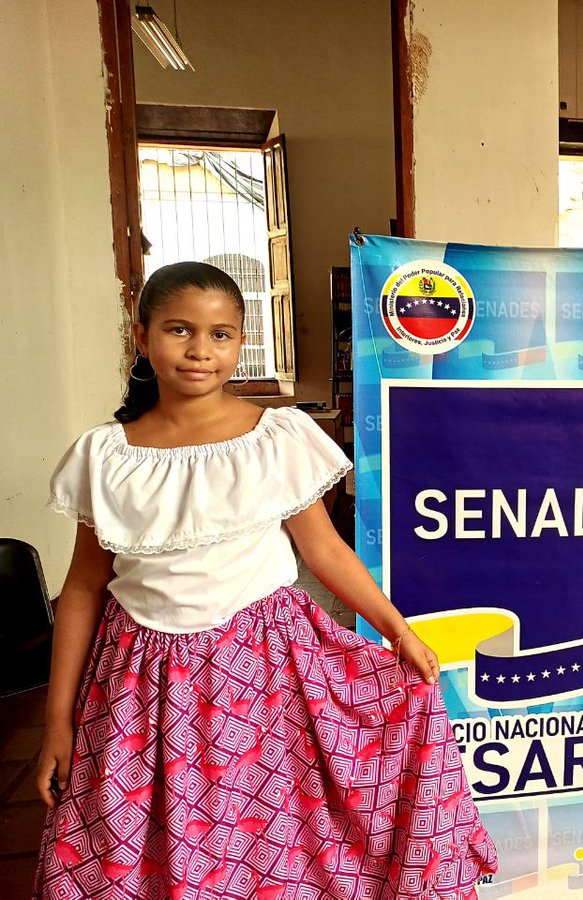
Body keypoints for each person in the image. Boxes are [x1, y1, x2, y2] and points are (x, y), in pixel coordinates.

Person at [33, 262, 497, 897]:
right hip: (140, 686)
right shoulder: (107, 456)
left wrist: (398, 630)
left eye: (222, 334)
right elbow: (83, 589)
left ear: (243, 339)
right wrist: (58, 721)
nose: (201, 351)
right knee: (139, 843)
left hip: (265, 676)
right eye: (179, 330)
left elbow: (325, 551)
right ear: (140, 337)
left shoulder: (274, 437)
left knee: (284, 836)